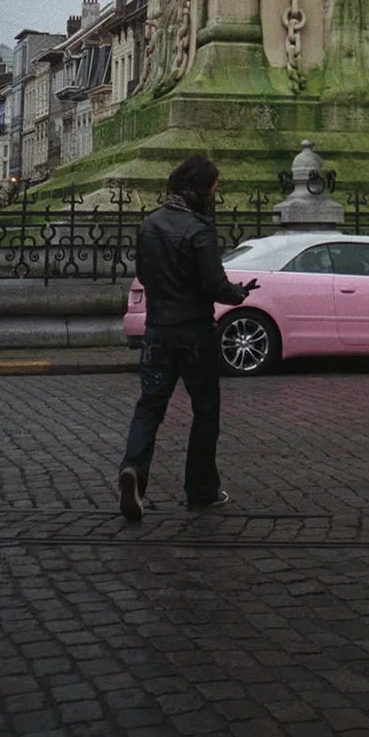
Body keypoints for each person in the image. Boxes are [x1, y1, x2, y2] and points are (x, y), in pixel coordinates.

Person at [117, 154, 251, 521]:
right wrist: (239, 294)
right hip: (194, 333)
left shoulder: (150, 225)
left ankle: (133, 469)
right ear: (199, 190)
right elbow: (214, 284)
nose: (215, 196)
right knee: (205, 411)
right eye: (213, 189)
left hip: (157, 332)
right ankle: (201, 489)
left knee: (149, 406)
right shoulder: (199, 230)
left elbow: (144, 274)